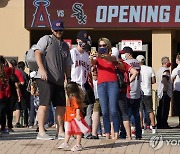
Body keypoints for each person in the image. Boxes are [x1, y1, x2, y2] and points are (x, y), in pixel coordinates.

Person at [34, 20, 72, 140]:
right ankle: (41, 131)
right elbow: (37, 53)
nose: (58, 32)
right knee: (44, 104)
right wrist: (42, 70)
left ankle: (60, 131)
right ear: (52, 30)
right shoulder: (46, 39)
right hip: (45, 78)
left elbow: (67, 64)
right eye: (56, 30)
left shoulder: (65, 45)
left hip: (59, 79)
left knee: (61, 106)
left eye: (60, 30)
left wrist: (68, 78)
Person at [90, 38, 120, 139]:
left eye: (104, 45)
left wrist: (101, 56)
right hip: (101, 84)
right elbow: (92, 63)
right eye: (100, 46)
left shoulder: (113, 53)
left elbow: (112, 59)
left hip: (112, 83)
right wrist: (91, 57)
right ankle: (107, 133)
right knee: (104, 110)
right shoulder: (97, 56)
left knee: (113, 110)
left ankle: (116, 132)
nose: (102, 47)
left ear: (108, 46)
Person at [70, 30, 94, 137]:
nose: (84, 43)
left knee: (81, 111)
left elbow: (88, 71)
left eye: (85, 41)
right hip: (74, 84)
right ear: (77, 40)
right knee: (74, 110)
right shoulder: (72, 52)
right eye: (82, 41)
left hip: (83, 85)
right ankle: (72, 132)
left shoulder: (86, 56)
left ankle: (78, 132)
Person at [58, 82, 90, 152]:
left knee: (78, 132)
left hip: (74, 117)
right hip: (69, 117)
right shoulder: (70, 97)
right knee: (68, 131)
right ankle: (66, 142)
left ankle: (78, 144)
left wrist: (78, 115)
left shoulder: (74, 98)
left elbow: (77, 108)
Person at [120, 46, 142, 140]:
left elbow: (129, 75)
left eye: (124, 53)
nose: (123, 55)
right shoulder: (137, 62)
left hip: (129, 91)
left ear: (128, 53)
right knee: (136, 113)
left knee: (126, 114)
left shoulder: (125, 63)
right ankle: (138, 134)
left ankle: (124, 133)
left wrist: (126, 82)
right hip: (137, 91)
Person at [136, 55, 156, 134]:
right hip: (148, 91)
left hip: (139, 91)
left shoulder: (137, 69)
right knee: (150, 110)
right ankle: (153, 126)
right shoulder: (149, 69)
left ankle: (141, 127)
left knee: (140, 110)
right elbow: (153, 81)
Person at [156, 56, 172, 129]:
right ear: (166, 62)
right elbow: (164, 79)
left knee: (160, 108)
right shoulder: (166, 70)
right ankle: (163, 124)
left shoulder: (159, 70)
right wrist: (165, 90)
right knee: (165, 109)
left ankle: (159, 123)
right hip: (165, 92)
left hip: (160, 91)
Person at [171, 54, 180, 128]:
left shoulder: (176, 69)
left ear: (177, 60)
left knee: (178, 107)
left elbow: (171, 78)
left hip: (178, 90)